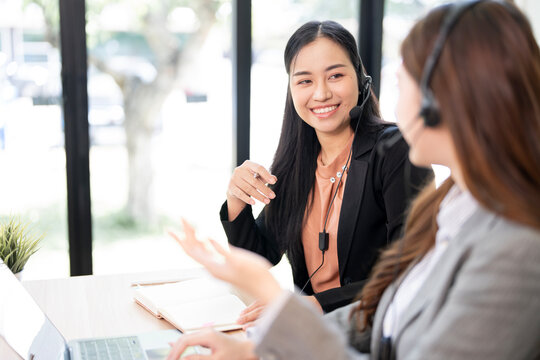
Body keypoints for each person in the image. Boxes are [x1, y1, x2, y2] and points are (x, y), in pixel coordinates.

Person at [167, 1, 540, 359]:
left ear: (438, 101)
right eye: (305, 81)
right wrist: (261, 349)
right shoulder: (453, 208)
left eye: (403, 77)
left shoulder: (512, 246)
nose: (321, 92)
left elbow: (390, 299)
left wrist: (284, 306)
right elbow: (384, 315)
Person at [220, 20, 432, 321]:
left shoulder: (396, 150)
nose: (320, 94)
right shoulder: (296, 162)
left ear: (361, 80)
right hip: (307, 333)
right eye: (304, 81)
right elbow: (258, 257)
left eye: (335, 76)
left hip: (374, 329)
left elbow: (412, 268)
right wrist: (236, 199)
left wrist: (317, 305)